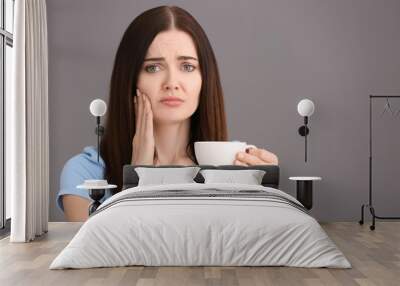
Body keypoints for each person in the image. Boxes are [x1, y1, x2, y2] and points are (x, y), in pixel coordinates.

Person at [57, 5, 279, 222]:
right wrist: (136, 176)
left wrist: (268, 195)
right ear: (129, 79)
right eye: (153, 68)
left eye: (187, 67)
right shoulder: (85, 173)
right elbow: (97, 250)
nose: (172, 83)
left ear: (205, 79)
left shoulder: (237, 163)